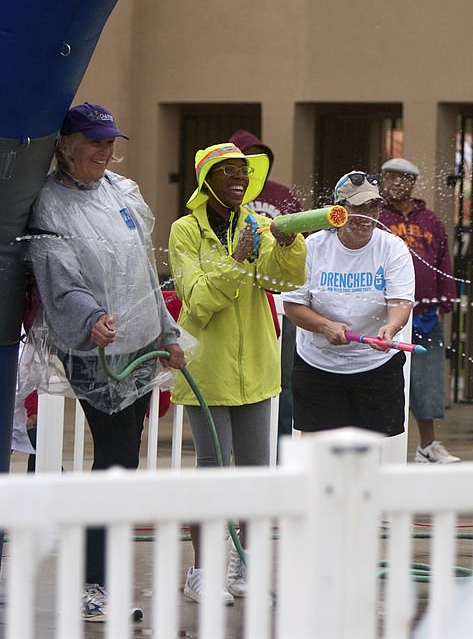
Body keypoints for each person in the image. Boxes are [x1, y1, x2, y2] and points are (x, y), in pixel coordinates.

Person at [27, 102, 186, 622]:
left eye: (109, 141)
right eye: (95, 142)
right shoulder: (50, 203)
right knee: (114, 462)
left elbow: (143, 269)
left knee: (124, 462)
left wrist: (166, 332)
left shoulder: (123, 193)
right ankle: (93, 583)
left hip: (139, 345)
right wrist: (90, 316)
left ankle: (104, 578)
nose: (105, 150)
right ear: (67, 145)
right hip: (94, 349)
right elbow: (57, 274)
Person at [168, 142, 306, 604]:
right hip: (207, 370)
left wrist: (287, 247)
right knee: (214, 471)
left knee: (254, 473)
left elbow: (282, 283)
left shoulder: (258, 225)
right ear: (207, 180)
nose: (239, 179)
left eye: (243, 172)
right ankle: (203, 571)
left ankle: (246, 565)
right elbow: (197, 301)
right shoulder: (184, 232)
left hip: (258, 370)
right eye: (228, 172)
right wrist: (236, 261)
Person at [282, 171, 415, 438]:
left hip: (375, 366)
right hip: (318, 364)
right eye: (359, 207)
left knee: (369, 454)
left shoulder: (392, 248)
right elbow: (294, 306)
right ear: (339, 211)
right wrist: (324, 326)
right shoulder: (314, 246)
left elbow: (401, 300)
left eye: (374, 205)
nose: (367, 215)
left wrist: (391, 327)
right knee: (317, 453)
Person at [377, 157, 460, 463]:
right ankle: (385, 446)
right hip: (386, 313)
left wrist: (444, 301)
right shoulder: (377, 217)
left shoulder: (431, 221)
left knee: (428, 381)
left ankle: (428, 445)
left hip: (426, 313)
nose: (397, 184)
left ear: (412, 183)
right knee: (386, 379)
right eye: (391, 178)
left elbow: (443, 262)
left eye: (403, 178)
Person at [228, 129, 304, 440]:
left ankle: (282, 442)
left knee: (284, 378)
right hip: (237, 296)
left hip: (281, 300)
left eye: (258, 159)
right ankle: (239, 439)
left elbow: (300, 242)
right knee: (237, 375)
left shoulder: (283, 195)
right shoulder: (225, 202)